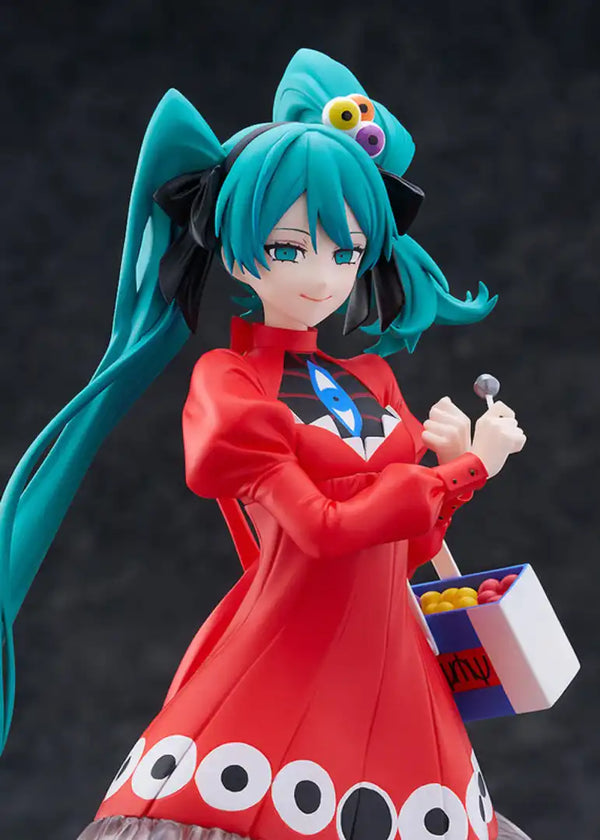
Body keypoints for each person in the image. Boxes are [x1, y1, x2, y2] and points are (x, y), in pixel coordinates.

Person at [1, 50, 529, 840]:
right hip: (286, 655)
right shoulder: (231, 383)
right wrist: (465, 469)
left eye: (346, 252)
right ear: (237, 251)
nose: (322, 275)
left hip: (392, 667)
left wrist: (457, 476)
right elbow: (321, 529)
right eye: (289, 248)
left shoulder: (374, 380)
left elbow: (406, 546)